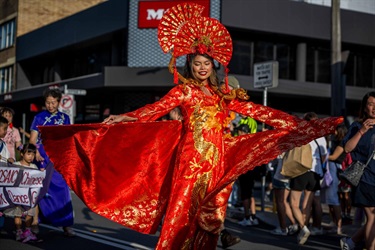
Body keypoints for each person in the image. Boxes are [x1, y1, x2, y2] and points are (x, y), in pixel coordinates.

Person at [39, 3, 342, 249]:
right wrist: (124, 117)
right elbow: (154, 110)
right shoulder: (184, 91)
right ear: (190, 65)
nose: (200, 68)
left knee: (212, 216)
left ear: (214, 66)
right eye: (196, 63)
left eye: (205, 63)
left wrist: (296, 124)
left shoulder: (224, 94)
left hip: (218, 162)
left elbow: (255, 109)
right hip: (190, 162)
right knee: (182, 214)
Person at [29, 88, 75, 237]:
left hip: (58, 158)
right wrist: (35, 151)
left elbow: (68, 140)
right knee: (40, 190)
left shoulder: (65, 118)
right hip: (42, 157)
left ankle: (66, 224)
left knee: (62, 190)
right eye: (48, 103)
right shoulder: (39, 117)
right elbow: (32, 139)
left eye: (53, 102)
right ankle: (35, 221)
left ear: (58, 102)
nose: (50, 105)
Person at [340, 91, 375, 250]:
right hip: (365, 178)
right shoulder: (357, 126)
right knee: (372, 217)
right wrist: (362, 131)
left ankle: (352, 242)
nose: (374, 108)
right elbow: (347, 149)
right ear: (365, 107)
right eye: (370, 104)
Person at [289, 112, 327, 245]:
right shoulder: (321, 138)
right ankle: (303, 230)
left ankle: (303, 228)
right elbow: (324, 158)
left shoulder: (300, 135)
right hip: (315, 173)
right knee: (307, 205)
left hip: (301, 170)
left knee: (293, 203)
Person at [3, 143, 40, 243]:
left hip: (28, 196)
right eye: (29, 154)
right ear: (22, 154)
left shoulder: (34, 167)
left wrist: (41, 173)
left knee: (29, 214)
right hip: (17, 195)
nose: (31, 157)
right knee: (17, 214)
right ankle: (19, 231)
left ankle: (27, 231)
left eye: (33, 154)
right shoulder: (16, 165)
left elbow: (37, 181)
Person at [322, 123, 348, 235]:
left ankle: (338, 225)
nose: (333, 132)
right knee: (331, 199)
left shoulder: (341, 143)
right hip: (333, 169)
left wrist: (323, 156)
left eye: (335, 130)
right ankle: (334, 222)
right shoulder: (335, 141)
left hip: (335, 169)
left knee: (333, 198)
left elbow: (333, 157)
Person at [236, 124, 260, 227]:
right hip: (252, 170)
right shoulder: (252, 141)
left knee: (245, 195)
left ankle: (247, 217)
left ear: (242, 131)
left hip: (244, 171)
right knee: (250, 194)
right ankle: (253, 217)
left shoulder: (242, 142)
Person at [270, 152, 298, 236]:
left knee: (280, 202)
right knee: (285, 202)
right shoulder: (295, 143)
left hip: (281, 175)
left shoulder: (283, 143)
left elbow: (275, 159)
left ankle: (283, 228)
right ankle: (294, 224)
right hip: (291, 174)